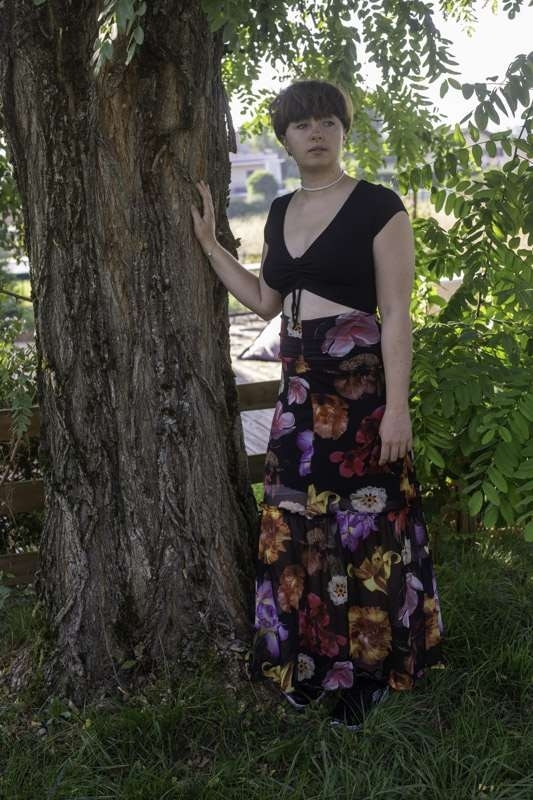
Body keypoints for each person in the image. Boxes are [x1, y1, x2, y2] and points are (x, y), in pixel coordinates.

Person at [191, 79, 445, 731]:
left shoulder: (378, 206)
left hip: (362, 396)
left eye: (329, 121)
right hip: (299, 397)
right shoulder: (279, 211)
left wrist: (396, 409)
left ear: (343, 131)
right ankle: (311, 663)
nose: (316, 132)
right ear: (284, 139)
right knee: (297, 527)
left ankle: (369, 674)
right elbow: (264, 302)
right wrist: (211, 246)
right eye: (302, 124)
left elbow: (396, 315)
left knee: (366, 531)